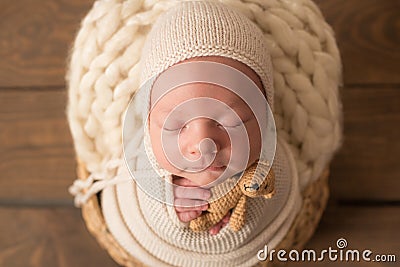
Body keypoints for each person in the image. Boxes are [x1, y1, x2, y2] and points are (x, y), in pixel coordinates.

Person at [131, 0, 280, 236]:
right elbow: (120, 206)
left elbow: (288, 202)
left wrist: (252, 205)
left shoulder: (271, 163)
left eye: (231, 122)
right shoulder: (139, 163)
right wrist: (162, 202)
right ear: (147, 125)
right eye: (175, 125)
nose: (204, 145)